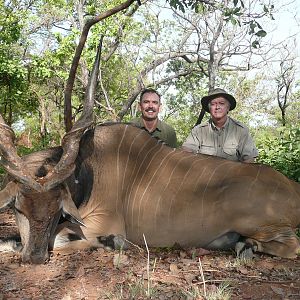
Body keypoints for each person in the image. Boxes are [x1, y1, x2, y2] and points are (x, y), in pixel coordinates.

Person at [182, 88, 258, 162]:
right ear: (209, 109)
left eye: (221, 103)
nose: (217, 107)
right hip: (206, 173)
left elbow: (249, 160)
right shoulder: (198, 130)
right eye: (213, 104)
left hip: (233, 174)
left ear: (228, 108)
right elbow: (186, 153)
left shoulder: (241, 130)